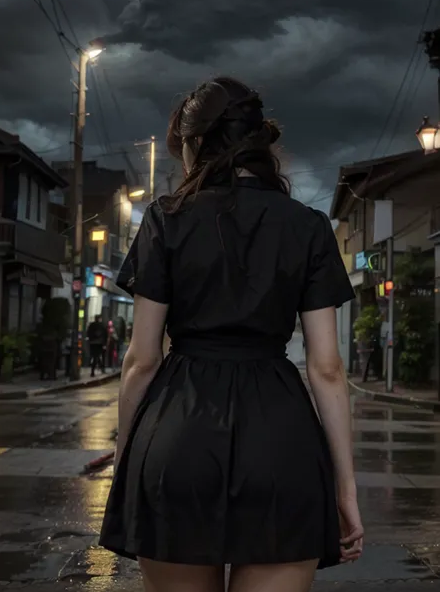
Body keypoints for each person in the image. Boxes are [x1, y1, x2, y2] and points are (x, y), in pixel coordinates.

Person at [100, 77, 363, 592]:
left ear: (194, 144)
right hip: (282, 441)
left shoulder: (165, 219)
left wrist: (127, 461)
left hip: (177, 436)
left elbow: (142, 361)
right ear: (259, 143)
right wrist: (346, 488)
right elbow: (327, 368)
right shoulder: (307, 226)